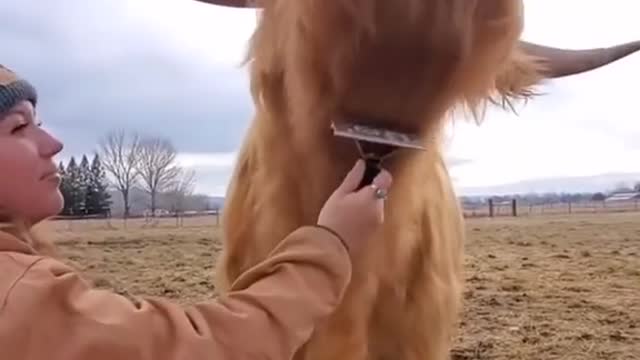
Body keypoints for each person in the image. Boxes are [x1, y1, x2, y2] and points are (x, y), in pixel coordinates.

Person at [0, 64, 393, 359]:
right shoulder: (13, 296)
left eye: (41, 123)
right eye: (19, 128)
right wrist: (332, 243)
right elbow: (202, 349)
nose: (53, 142)